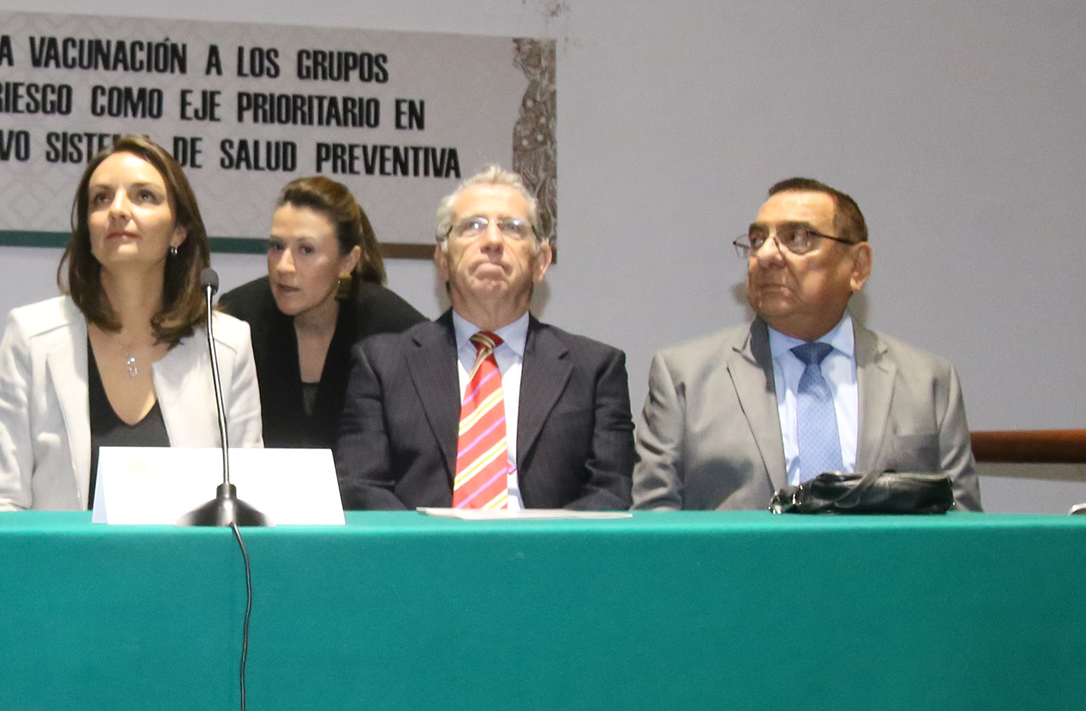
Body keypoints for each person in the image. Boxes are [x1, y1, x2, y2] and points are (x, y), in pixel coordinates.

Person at [634, 177, 980, 510]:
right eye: (757, 240)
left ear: (858, 266)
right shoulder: (686, 378)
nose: (766, 255)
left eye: (796, 237)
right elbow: (654, 523)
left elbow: (962, 524)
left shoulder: (928, 381)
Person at [0, 134, 261, 511]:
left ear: (178, 230)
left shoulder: (227, 345)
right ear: (87, 230)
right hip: (58, 553)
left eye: (144, 196)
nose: (118, 210)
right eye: (101, 199)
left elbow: (250, 500)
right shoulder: (31, 337)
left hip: (188, 552)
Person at [336, 165, 630, 510]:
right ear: (442, 260)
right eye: (472, 226)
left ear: (541, 262)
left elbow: (610, 492)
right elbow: (361, 487)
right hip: (423, 543)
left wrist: (539, 543)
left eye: (512, 227)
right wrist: (431, 543)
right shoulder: (382, 365)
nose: (492, 241)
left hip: (549, 544)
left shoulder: (595, 370)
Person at [216, 176, 425, 449]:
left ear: (348, 261)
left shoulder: (397, 333)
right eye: (277, 246)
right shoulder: (238, 318)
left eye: (306, 250)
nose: (284, 266)